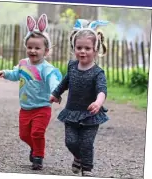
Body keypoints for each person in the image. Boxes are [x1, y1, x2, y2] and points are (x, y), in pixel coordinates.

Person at [0, 14, 62, 170]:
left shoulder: (47, 68)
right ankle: (35, 147)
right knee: (24, 135)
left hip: (42, 107)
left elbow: (54, 81)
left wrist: (55, 92)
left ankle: (38, 156)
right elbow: (16, 73)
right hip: (25, 108)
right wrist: (5, 73)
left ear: (46, 51)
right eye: (30, 47)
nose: (33, 50)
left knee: (37, 133)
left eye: (37, 48)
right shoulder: (23, 64)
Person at [50, 19, 109, 177]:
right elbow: (65, 82)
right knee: (71, 141)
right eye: (79, 47)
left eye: (87, 48)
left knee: (87, 143)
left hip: (91, 115)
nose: (83, 51)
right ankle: (77, 157)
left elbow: (102, 90)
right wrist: (56, 94)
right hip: (71, 113)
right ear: (74, 48)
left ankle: (87, 169)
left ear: (95, 51)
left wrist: (98, 102)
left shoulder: (98, 73)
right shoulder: (72, 66)